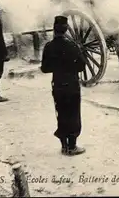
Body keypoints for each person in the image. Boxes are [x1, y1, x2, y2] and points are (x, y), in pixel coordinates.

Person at [41, 15, 86, 156]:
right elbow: (81, 66)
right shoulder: (72, 46)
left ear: (54, 29)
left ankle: (64, 146)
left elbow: (45, 68)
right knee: (73, 115)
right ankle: (72, 147)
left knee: (61, 114)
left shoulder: (49, 47)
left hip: (58, 85)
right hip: (72, 85)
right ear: (66, 30)